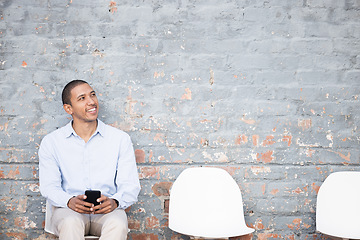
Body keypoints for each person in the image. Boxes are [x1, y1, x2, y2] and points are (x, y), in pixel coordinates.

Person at [39, 80, 141, 240]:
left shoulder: (120, 139)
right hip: (69, 211)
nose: (91, 101)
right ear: (68, 108)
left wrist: (115, 201)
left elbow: (130, 185)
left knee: (118, 224)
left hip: (107, 211)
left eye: (92, 95)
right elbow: (48, 187)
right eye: (82, 98)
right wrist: (69, 201)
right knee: (70, 222)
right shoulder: (52, 142)